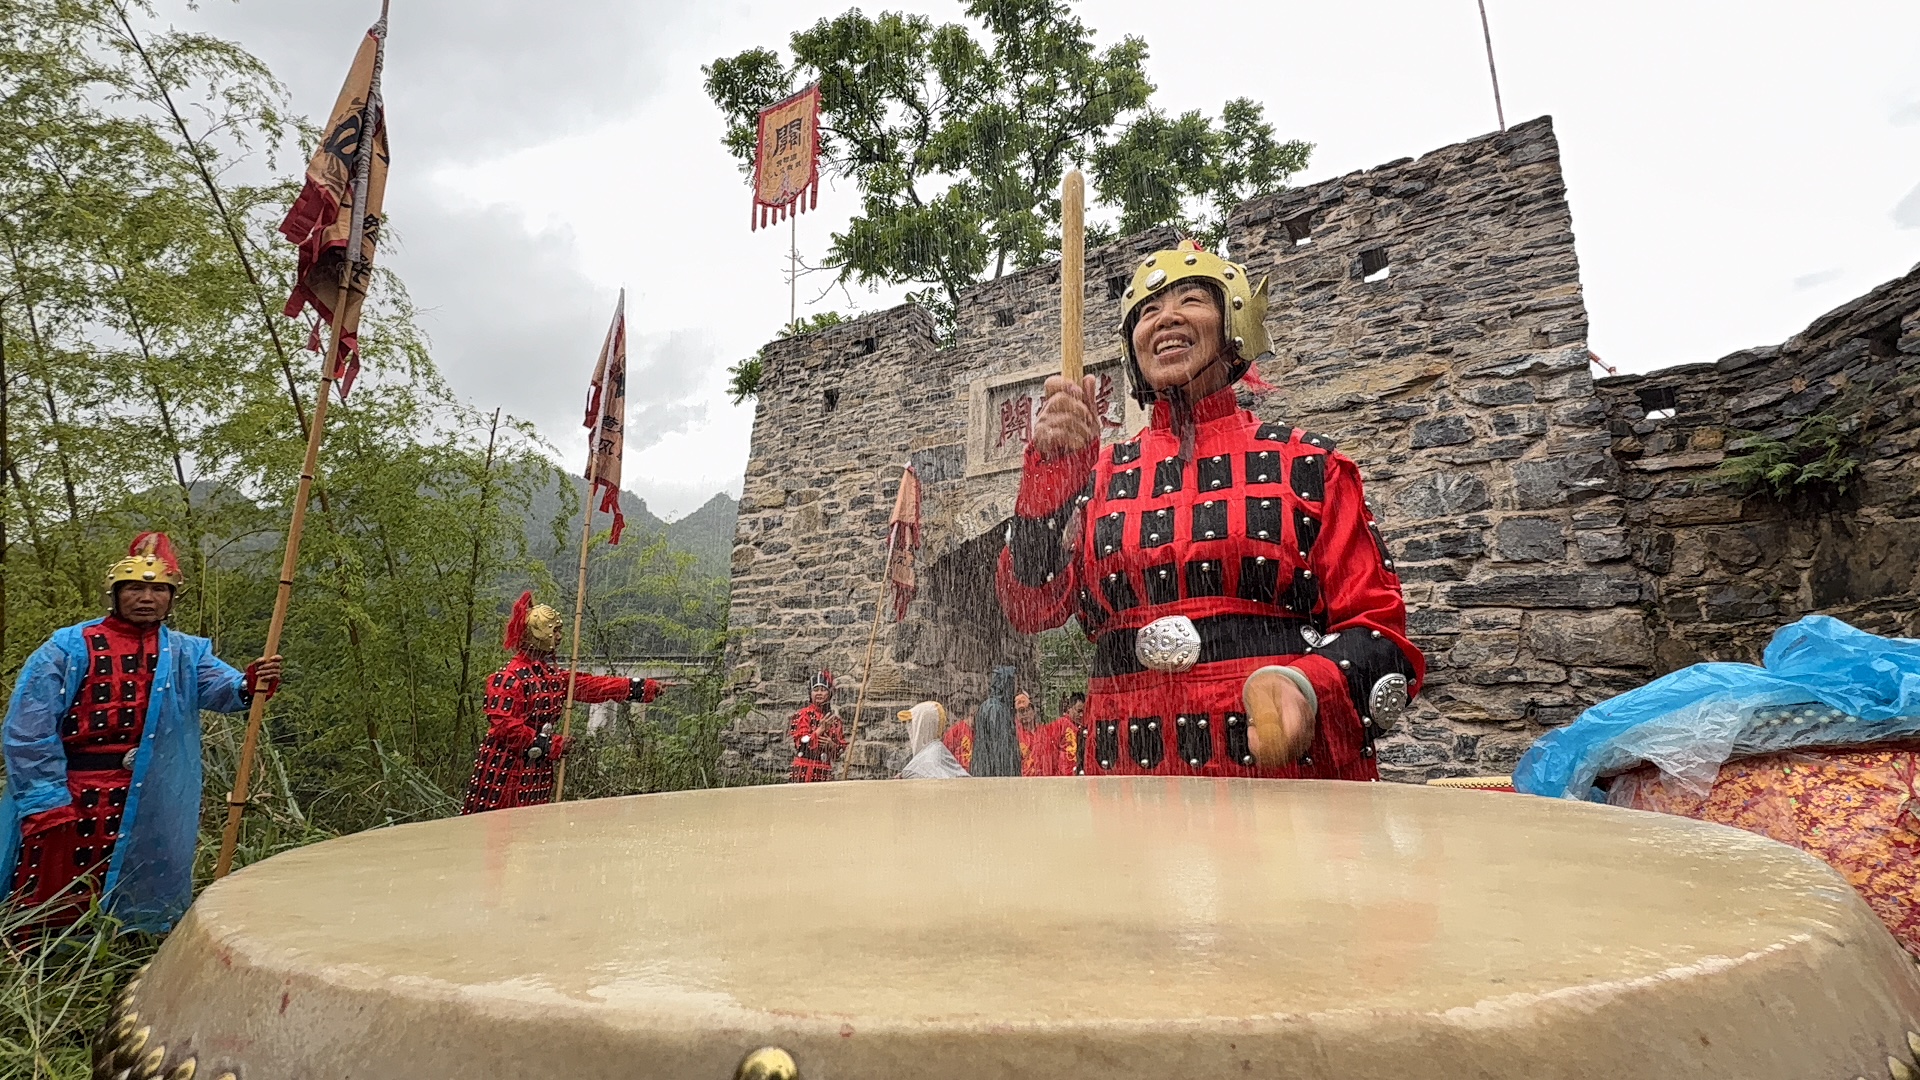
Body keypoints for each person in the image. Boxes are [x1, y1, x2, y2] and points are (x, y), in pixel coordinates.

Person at [996, 239, 1424, 780]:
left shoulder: (1311, 465)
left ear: (1235, 323)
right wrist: (1047, 491)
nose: (1166, 318)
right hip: (1130, 783)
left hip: (1282, 783)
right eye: (1147, 310)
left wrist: (1307, 690)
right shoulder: (1099, 476)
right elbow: (1032, 608)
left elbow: (1379, 628)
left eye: (1192, 300)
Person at [0, 533, 283, 932]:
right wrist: (44, 797)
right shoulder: (67, 647)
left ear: (171, 598)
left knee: (141, 887)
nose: (147, 597)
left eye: (158, 589)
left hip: (149, 793)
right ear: (116, 594)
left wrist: (249, 684)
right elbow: (28, 727)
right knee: (54, 889)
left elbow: (221, 687)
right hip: (72, 789)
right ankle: (47, 970)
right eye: (135, 587)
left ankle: (131, 954)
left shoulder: (185, 651)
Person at [461, 591, 658, 814]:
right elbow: (506, 729)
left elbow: (591, 686)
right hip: (505, 770)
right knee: (500, 831)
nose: (559, 637)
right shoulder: (508, 678)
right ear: (537, 633)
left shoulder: (552, 677)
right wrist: (551, 745)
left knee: (533, 829)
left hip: (537, 770)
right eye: (554, 631)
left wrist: (640, 687)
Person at [788, 669, 847, 783]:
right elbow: (801, 744)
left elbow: (838, 753)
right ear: (810, 693)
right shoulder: (803, 715)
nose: (819, 693)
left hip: (824, 770)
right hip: (804, 770)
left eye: (823, 689)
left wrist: (831, 744)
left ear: (829, 693)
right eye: (815, 690)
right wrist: (820, 730)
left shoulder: (835, 720)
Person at [897, 701, 968, 778]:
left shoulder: (931, 756)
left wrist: (905, 777)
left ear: (922, 725)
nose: (908, 729)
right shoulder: (935, 750)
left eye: (911, 724)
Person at [941, 698, 978, 772]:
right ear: (968, 714)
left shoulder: (980, 732)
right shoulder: (956, 731)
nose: (974, 718)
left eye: (976, 715)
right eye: (972, 715)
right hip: (957, 772)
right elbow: (945, 754)